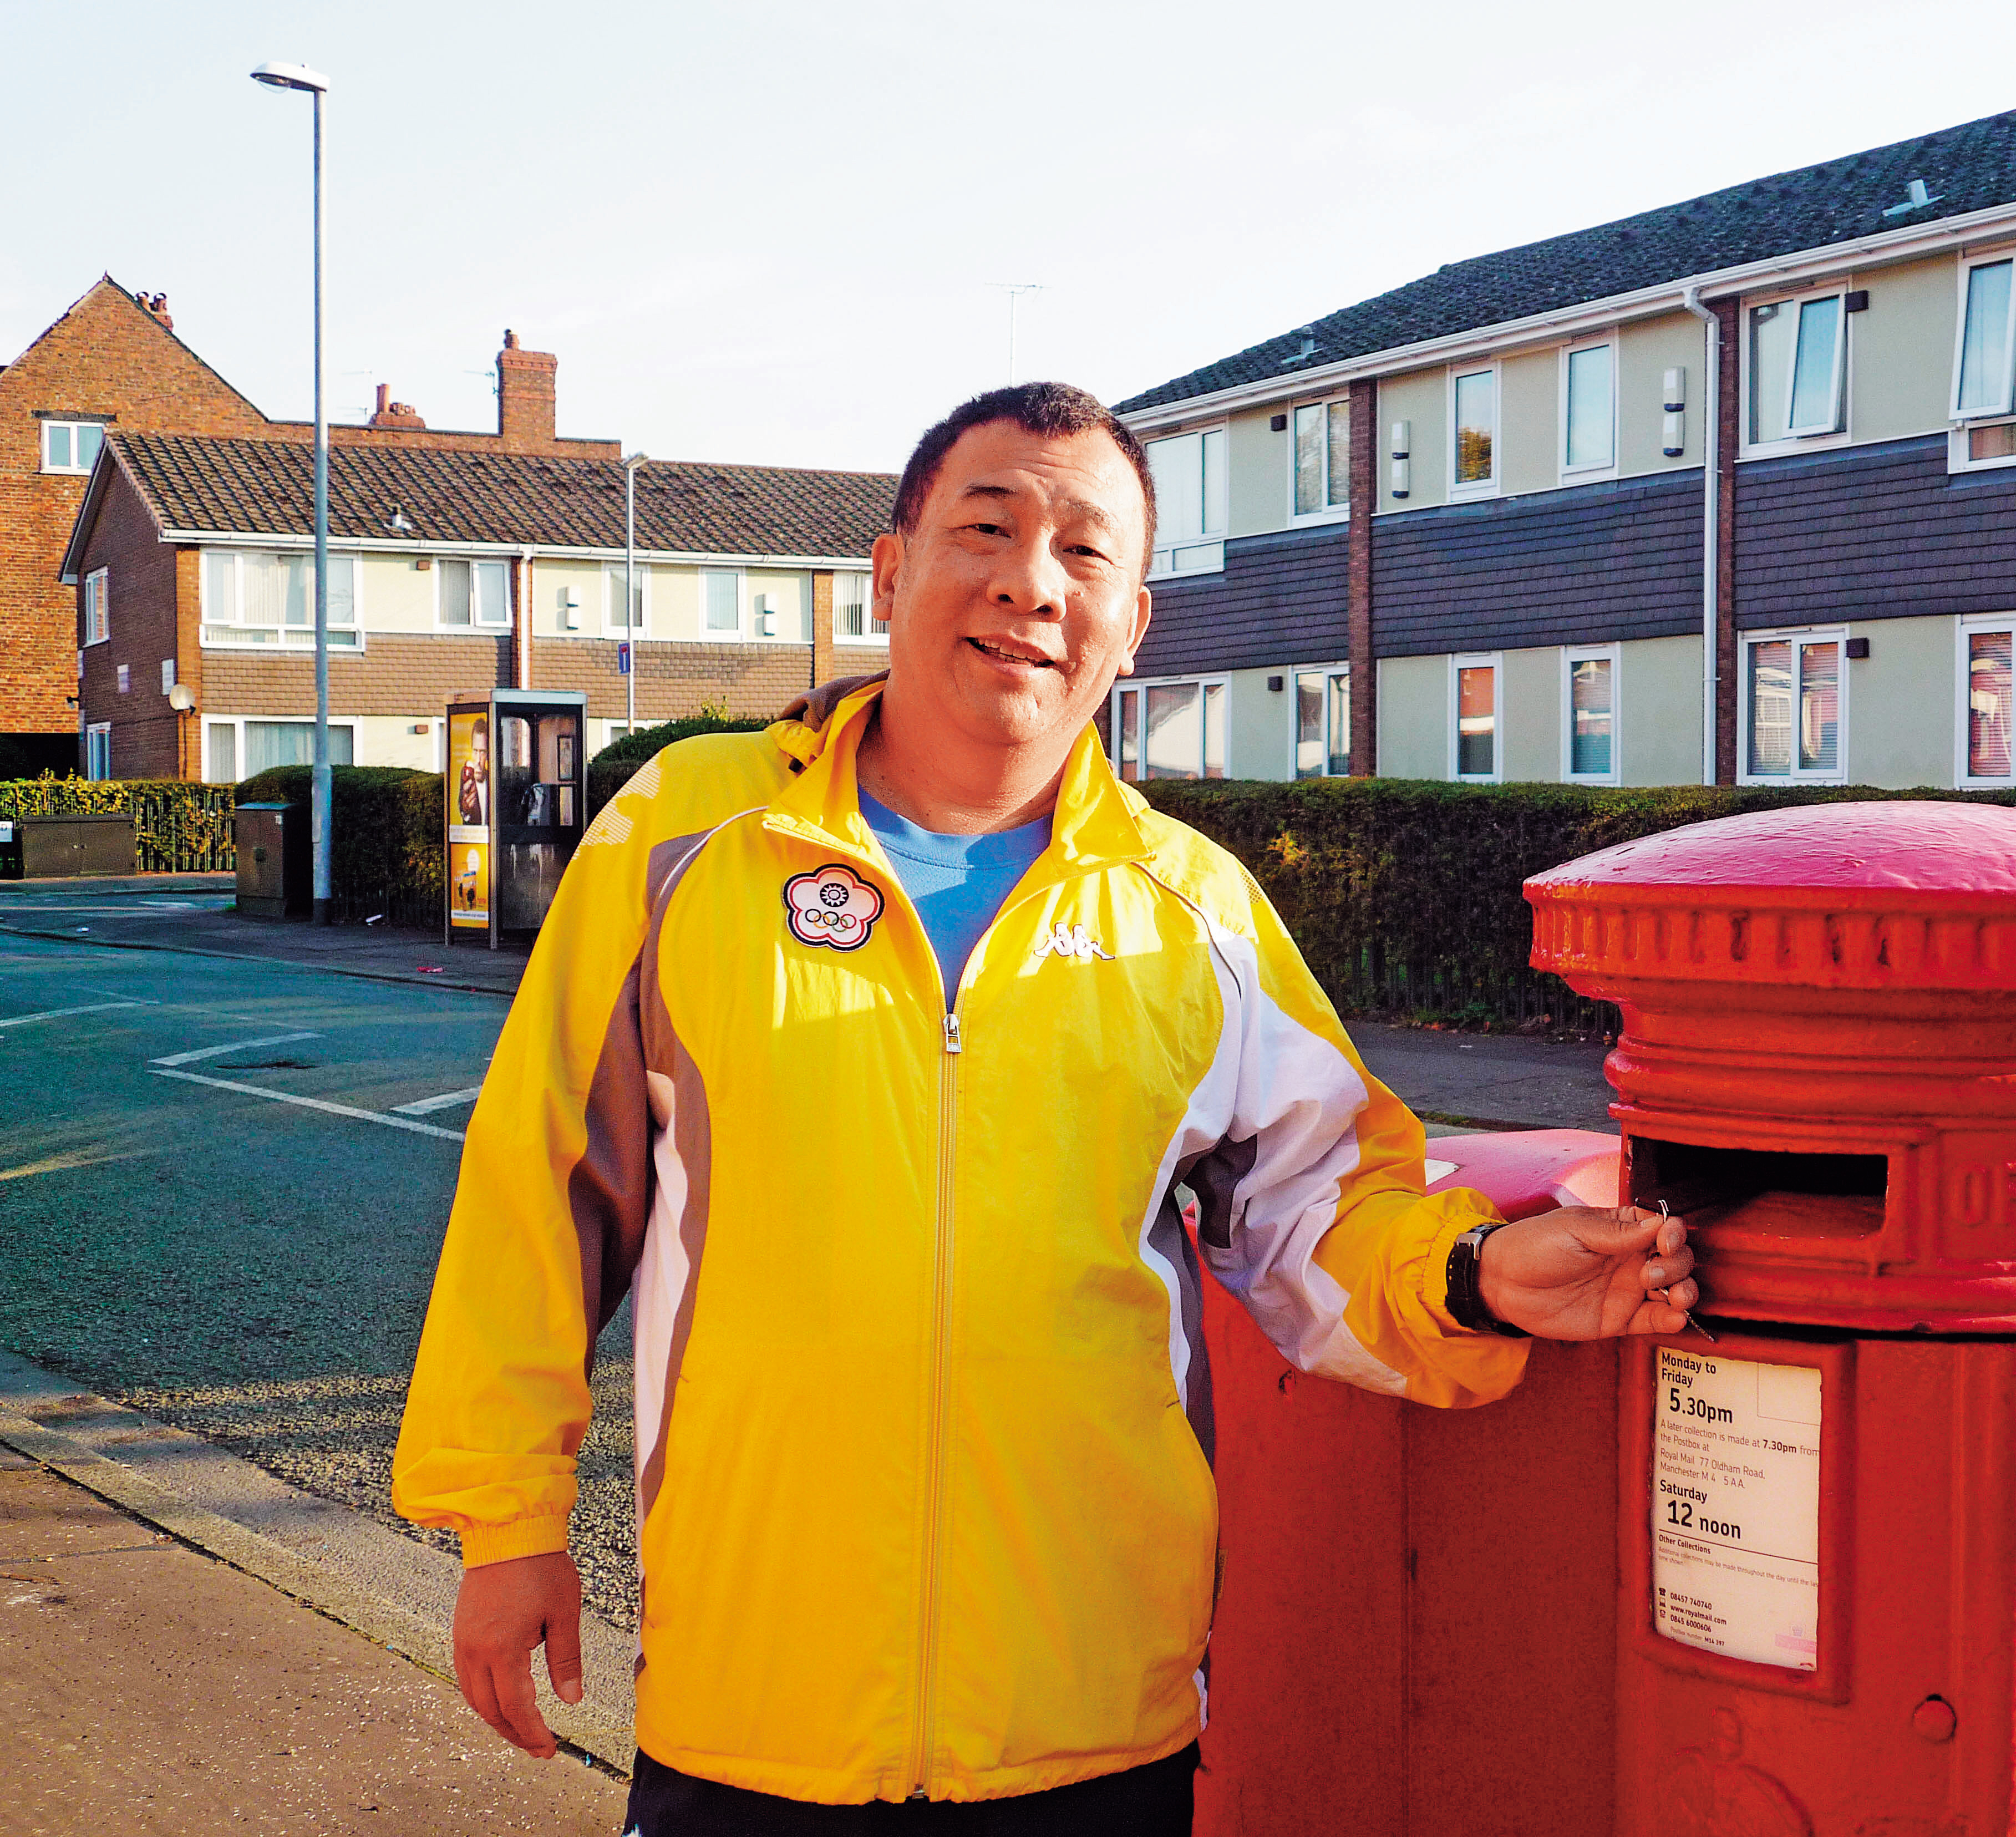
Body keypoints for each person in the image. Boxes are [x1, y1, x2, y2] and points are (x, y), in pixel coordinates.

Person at [390, 383, 1698, 1834]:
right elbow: (546, 1188)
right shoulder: (691, 839)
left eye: (1088, 553)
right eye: (988, 528)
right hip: (755, 1721)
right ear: (891, 572)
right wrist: (506, 1523)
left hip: (1093, 1734)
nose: (1030, 583)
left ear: (1134, 624)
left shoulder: (1190, 910)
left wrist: (1474, 1274)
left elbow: (1317, 1207)